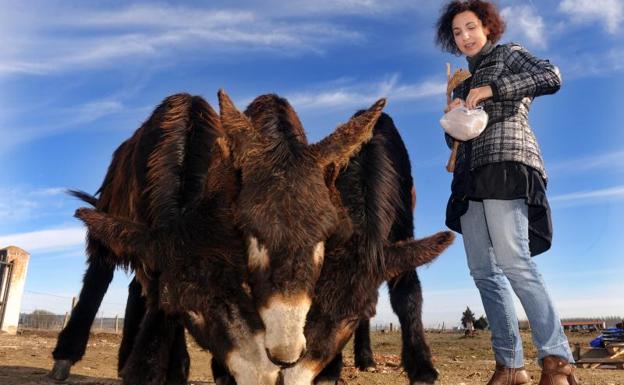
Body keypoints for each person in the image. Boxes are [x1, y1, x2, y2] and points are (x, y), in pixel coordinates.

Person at [435, 1, 579, 385]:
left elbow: (551, 76)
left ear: (487, 26)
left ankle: (557, 359)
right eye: (457, 33)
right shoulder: (464, 80)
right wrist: (452, 112)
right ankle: (511, 365)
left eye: (470, 27)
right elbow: (456, 137)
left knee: (515, 262)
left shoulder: (508, 53)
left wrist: (492, 87)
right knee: (483, 271)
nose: (464, 37)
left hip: (505, 162)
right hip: (470, 176)